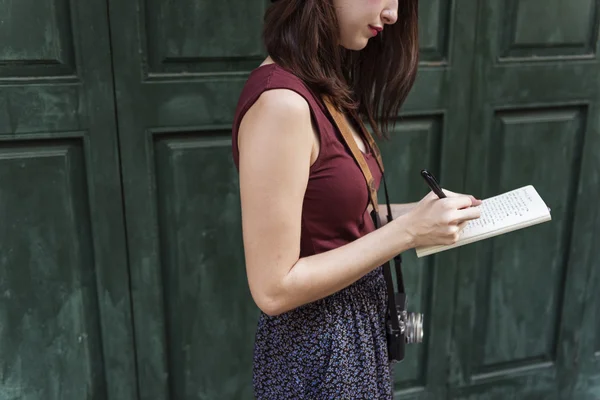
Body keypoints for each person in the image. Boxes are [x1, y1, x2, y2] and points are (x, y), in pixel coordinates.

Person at [230, 0, 482, 398]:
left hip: (351, 336)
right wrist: (408, 232)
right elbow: (273, 289)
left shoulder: (320, 84)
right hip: (317, 351)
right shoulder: (281, 103)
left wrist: (425, 216)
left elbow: (341, 218)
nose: (393, 15)